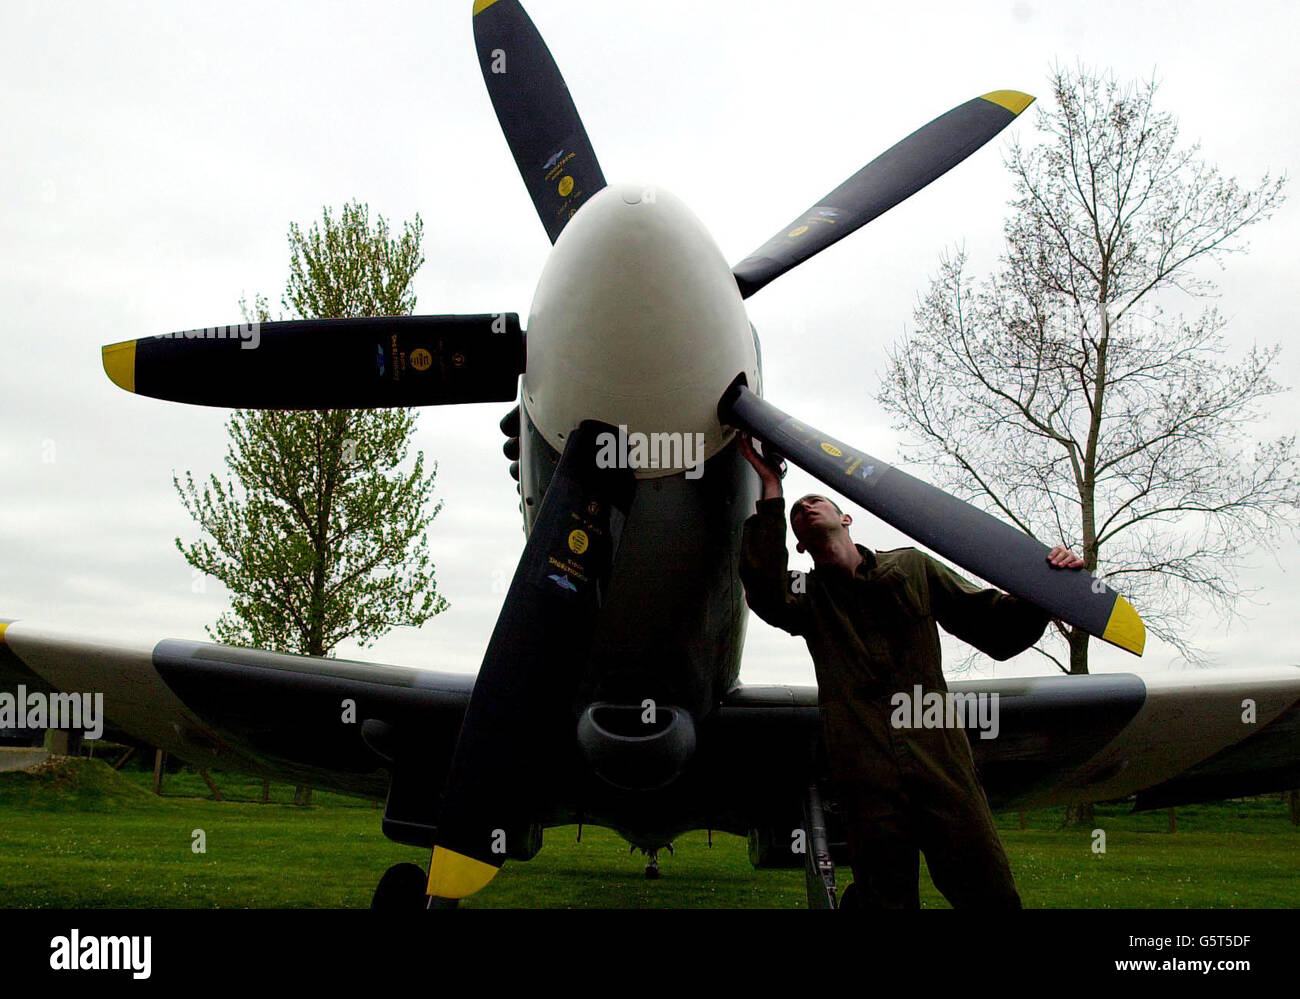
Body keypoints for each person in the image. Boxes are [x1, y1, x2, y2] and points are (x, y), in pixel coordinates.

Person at [737, 434, 1083, 908]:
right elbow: (765, 593)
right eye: (798, 512)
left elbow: (995, 628)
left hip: (939, 759)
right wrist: (772, 487)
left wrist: (1046, 585)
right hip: (864, 769)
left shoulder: (912, 568)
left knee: (989, 890)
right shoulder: (810, 600)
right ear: (796, 543)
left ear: (846, 517)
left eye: (816, 500)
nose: (807, 506)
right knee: (884, 898)